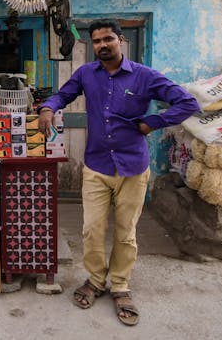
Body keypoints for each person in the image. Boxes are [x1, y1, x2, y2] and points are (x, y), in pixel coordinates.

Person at [37, 19, 199, 326]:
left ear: (120, 40)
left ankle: (121, 285)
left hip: (132, 168)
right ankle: (96, 280)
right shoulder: (86, 73)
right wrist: (48, 108)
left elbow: (187, 102)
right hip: (96, 165)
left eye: (108, 39)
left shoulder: (145, 76)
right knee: (92, 229)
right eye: (96, 41)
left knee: (126, 233)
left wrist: (154, 122)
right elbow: (63, 95)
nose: (102, 45)